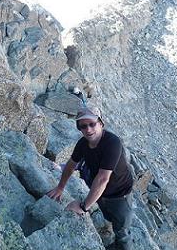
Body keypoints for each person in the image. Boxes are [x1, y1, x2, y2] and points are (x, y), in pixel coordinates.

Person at [47, 105, 134, 250]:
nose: (88, 129)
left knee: (122, 232)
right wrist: (60, 187)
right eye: (83, 126)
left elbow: (102, 179)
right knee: (109, 218)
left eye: (92, 124)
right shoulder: (83, 144)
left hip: (120, 195)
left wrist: (83, 206)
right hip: (101, 193)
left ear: (100, 123)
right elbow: (70, 164)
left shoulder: (112, 143)